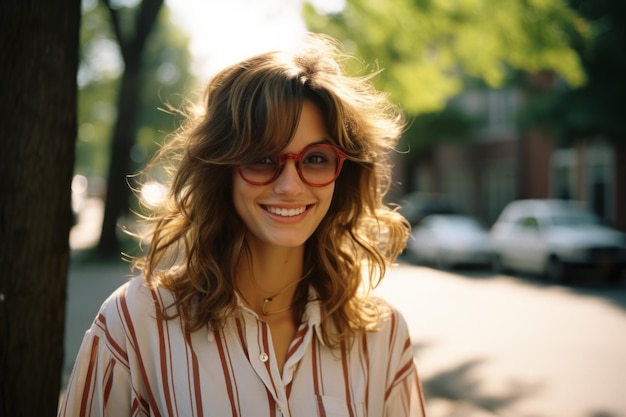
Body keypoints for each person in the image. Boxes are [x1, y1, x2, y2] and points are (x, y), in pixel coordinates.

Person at [58, 33, 427, 417]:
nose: (290, 185)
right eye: (262, 158)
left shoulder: (382, 337)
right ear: (222, 171)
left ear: (342, 174)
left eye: (316, 159)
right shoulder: (135, 324)